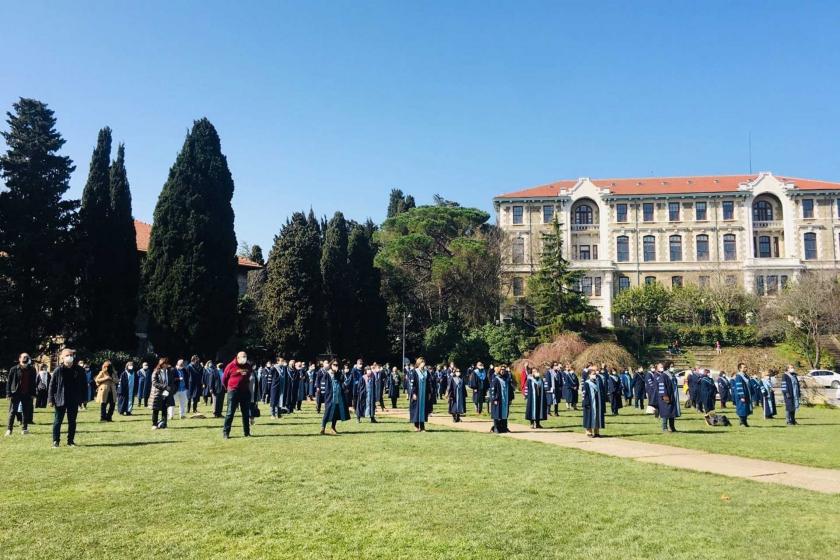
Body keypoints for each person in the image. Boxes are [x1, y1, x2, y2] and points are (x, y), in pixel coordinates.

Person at [48, 348, 86, 447]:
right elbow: (52, 385)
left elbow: (84, 385)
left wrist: (83, 399)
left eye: (71, 355)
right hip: (60, 399)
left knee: (72, 421)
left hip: (74, 399)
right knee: (57, 421)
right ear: (62, 358)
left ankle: (70, 441)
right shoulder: (58, 370)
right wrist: (51, 399)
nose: (69, 357)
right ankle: (56, 441)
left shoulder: (79, 370)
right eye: (67, 355)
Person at [222, 352, 253, 439]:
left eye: (245, 356)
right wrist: (229, 389)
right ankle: (226, 433)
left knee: (246, 413)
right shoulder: (230, 365)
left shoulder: (248, 366)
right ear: (238, 357)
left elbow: (249, 376)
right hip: (233, 391)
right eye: (243, 357)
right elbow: (224, 379)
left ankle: (247, 432)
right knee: (230, 413)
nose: (244, 358)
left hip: (245, 392)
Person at [6, 352, 37, 436]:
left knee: (25, 412)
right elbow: (9, 382)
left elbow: (33, 383)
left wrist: (33, 394)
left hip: (27, 393)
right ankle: (9, 429)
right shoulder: (14, 369)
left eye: (27, 357)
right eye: (24, 357)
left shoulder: (32, 369)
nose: (25, 358)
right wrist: (8, 393)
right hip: (15, 393)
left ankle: (24, 429)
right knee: (13, 411)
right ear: (19, 359)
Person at [318, 361, 349, 435]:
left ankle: (333, 427)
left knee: (336, 413)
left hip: (338, 397)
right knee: (327, 412)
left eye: (337, 365)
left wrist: (345, 388)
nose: (336, 366)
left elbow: (342, 382)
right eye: (334, 365)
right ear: (331, 365)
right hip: (329, 397)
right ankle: (323, 428)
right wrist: (324, 397)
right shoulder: (327, 374)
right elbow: (323, 385)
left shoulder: (339, 373)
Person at [409, 358, 434, 432]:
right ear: (419, 363)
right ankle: (416, 426)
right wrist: (413, 393)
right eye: (422, 362)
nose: (423, 364)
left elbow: (429, 383)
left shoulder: (426, 372)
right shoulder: (415, 372)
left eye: (424, 362)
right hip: (417, 393)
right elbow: (412, 384)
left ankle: (422, 426)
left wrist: (429, 393)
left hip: (424, 394)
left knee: (423, 410)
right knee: (416, 409)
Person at [150, 358, 175, 429]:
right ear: (161, 364)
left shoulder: (169, 372)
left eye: (167, 363)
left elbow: (171, 382)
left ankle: (164, 424)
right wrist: (164, 387)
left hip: (166, 393)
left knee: (164, 409)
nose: (166, 365)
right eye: (165, 363)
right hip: (157, 393)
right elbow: (154, 382)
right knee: (156, 409)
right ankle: (154, 424)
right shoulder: (156, 372)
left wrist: (170, 389)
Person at [489, 365, 514, 433]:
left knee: (505, 414)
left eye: (504, 370)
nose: (503, 371)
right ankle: (496, 428)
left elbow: (510, 390)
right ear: (499, 371)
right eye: (501, 370)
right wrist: (494, 399)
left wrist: (510, 399)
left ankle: (504, 428)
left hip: (505, 400)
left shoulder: (507, 379)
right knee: (497, 414)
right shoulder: (496, 379)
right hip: (498, 400)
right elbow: (492, 390)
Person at [656, 364, 680, 432]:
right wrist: (664, 396)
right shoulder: (663, 376)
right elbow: (661, 386)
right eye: (671, 366)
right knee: (665, 413)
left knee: (672, 413)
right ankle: (664, 427)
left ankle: (672, 427)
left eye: (673, 366)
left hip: (671, 396)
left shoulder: (671, 375)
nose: (673, 367)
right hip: (665, 397)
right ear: (667, 367)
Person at [582, 368, 604, 437]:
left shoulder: (598, 382)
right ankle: (588, 431)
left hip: (598, 402)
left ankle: (596, 431)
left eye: (595, 374)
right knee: (589, 417)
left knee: (597, 416)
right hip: (589, 403)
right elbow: (584, 394)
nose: (594, 375)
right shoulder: (587, 383)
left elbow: (601, 392)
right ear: (589, 375)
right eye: (593, 374)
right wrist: (586, 403)